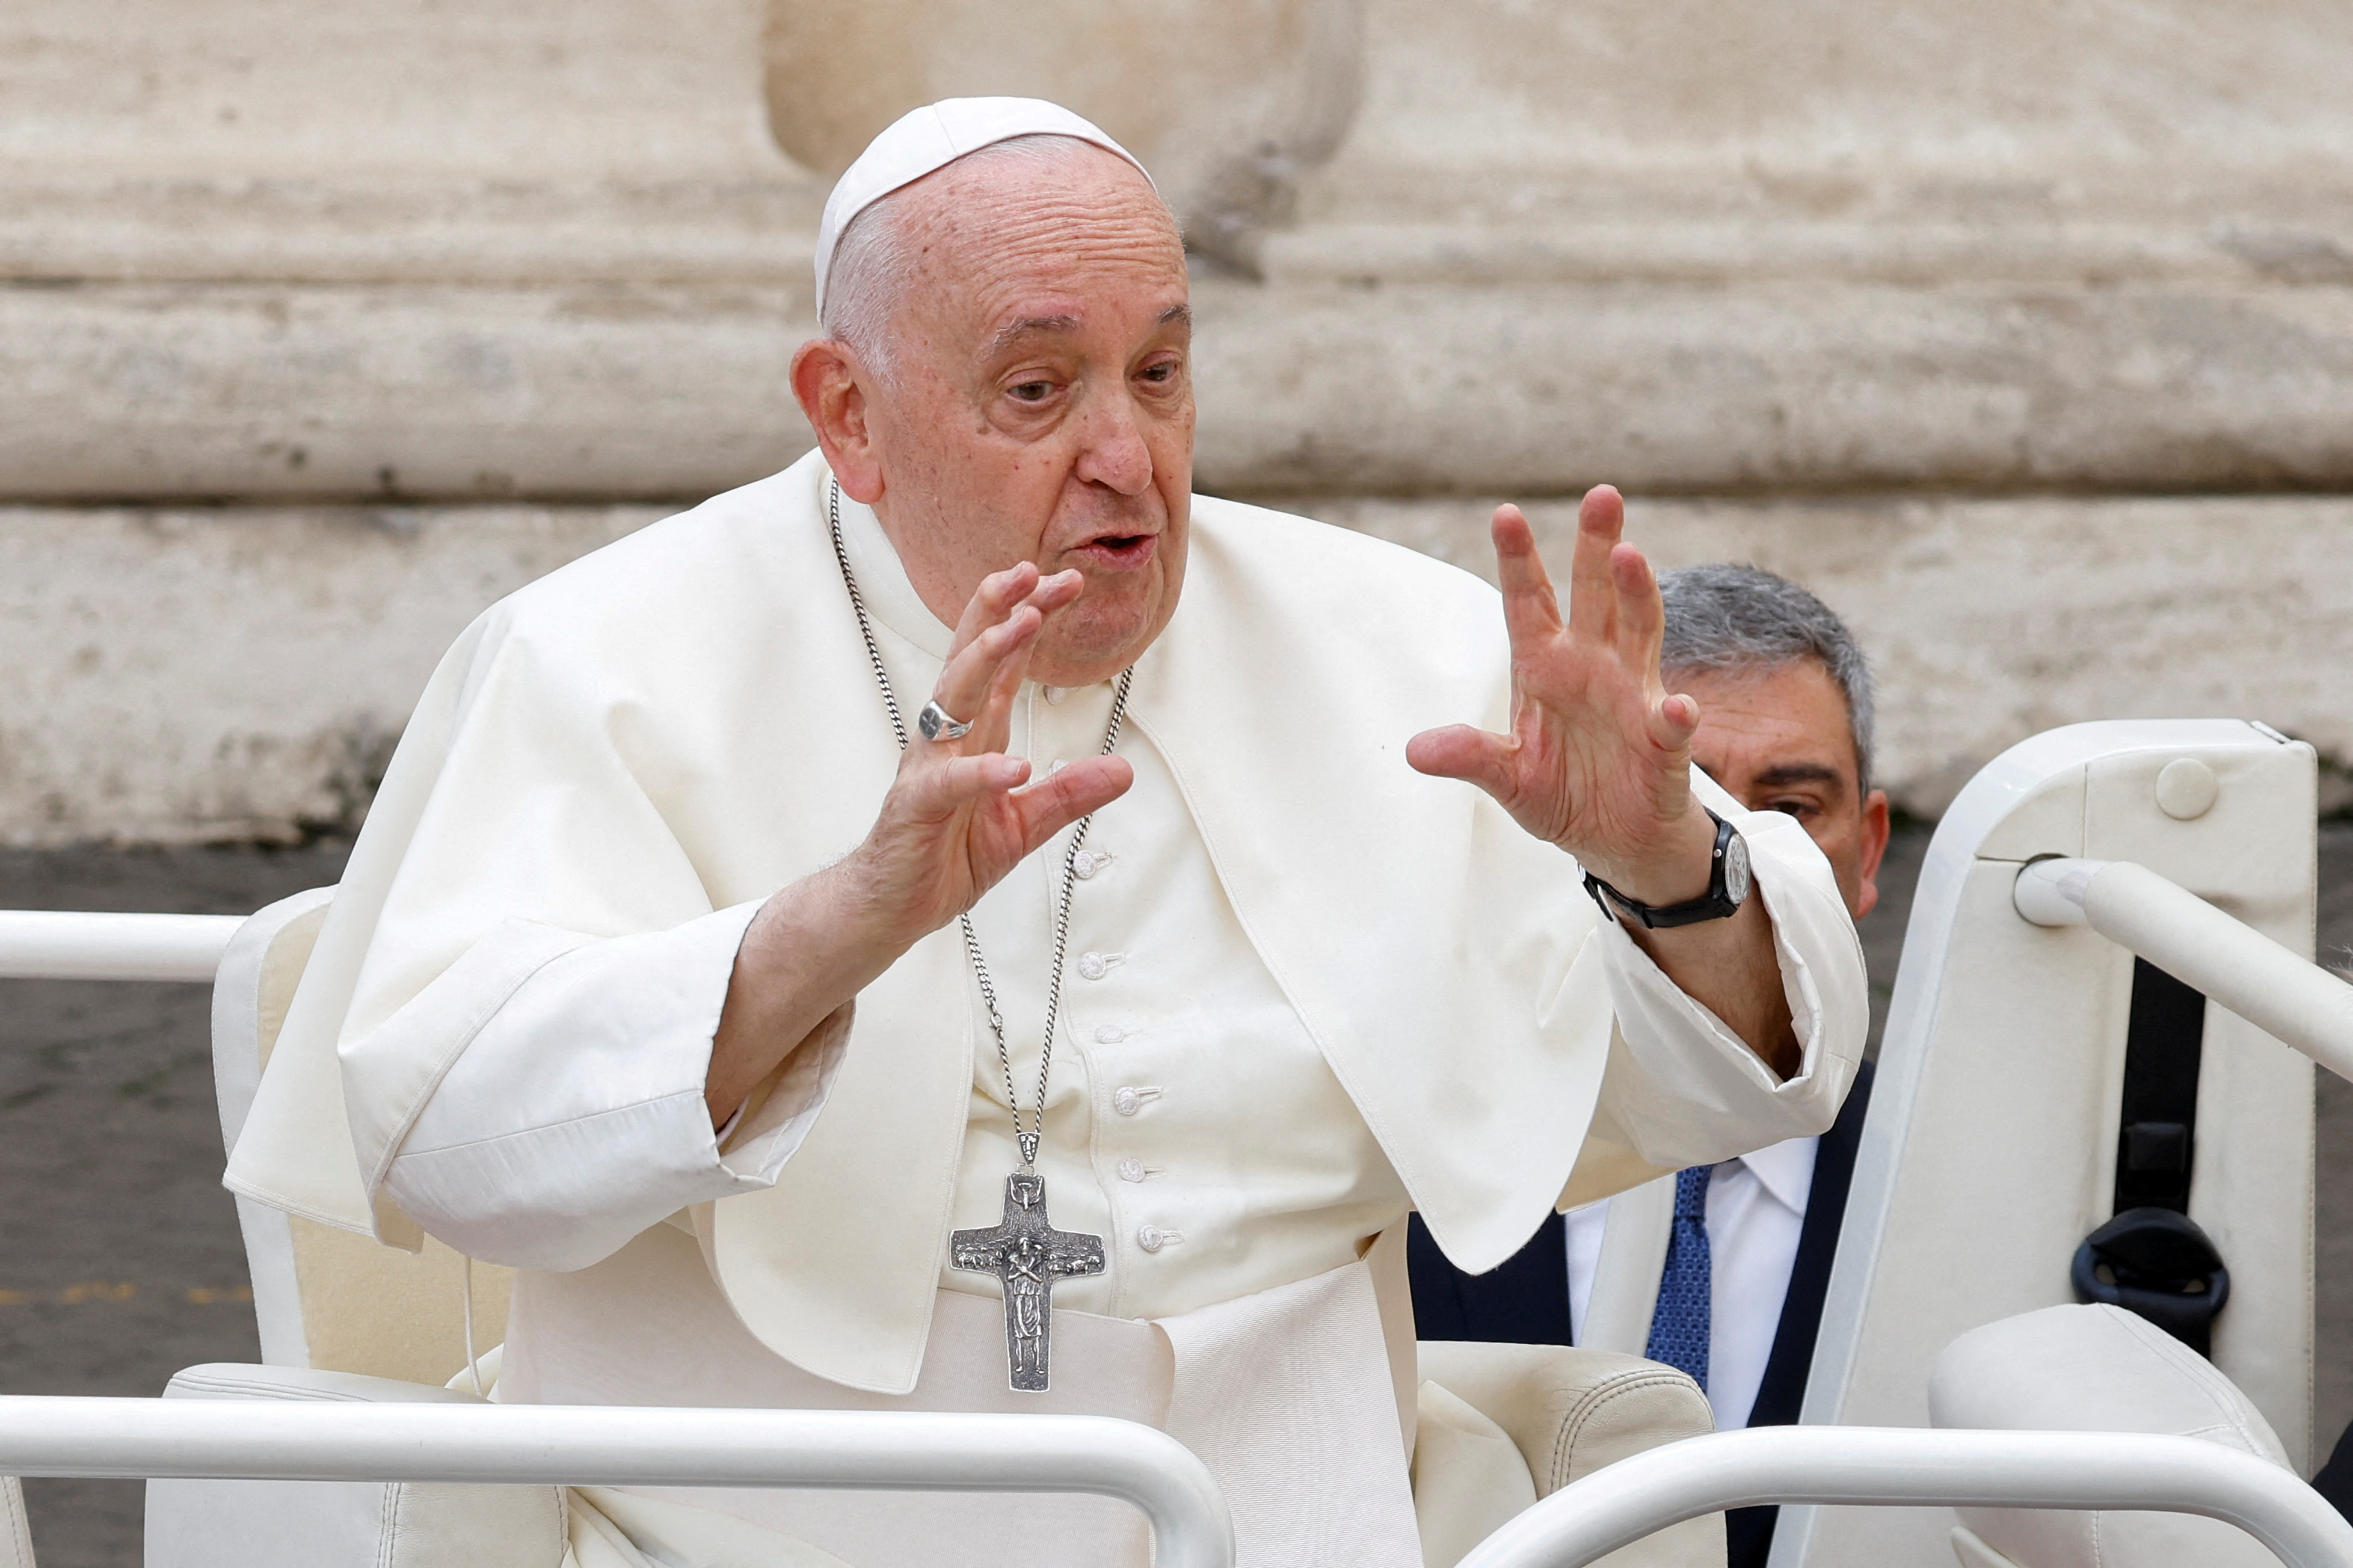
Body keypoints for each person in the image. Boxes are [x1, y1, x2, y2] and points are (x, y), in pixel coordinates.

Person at [225, 99, 1865, 1568]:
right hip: (738, 1529)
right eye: (1037, 386)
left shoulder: (1404, 652)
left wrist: (1670, 877)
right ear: (848, 413)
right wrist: (828, 934)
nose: (1126, 457)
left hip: (1310, 1519)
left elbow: (1751, 1078)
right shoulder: (596, 662)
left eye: (1161, 371)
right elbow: (440, 1125)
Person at [1410, 563, 1888, 1568]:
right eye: (1681, 796)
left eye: (1792, 811)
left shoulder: (1963, 1176)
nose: (1721, 853)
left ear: (1869, 850)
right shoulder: (1404, 1145)